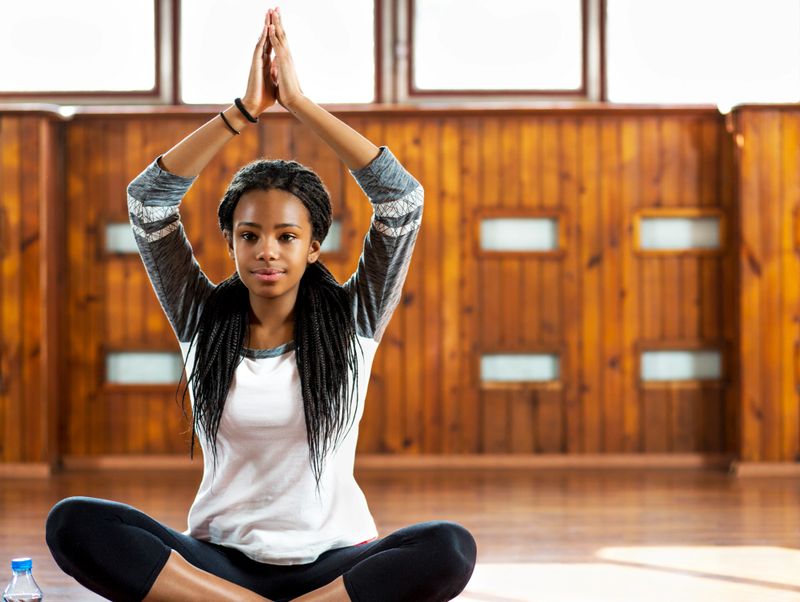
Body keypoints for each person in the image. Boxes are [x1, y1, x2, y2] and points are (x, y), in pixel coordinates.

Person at [44, 6, 476, 602]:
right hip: (218, 562)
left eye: (287, 237)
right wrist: (243, 111)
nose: (266, 252)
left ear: (314, 246)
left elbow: (401, 200)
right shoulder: (200, 317)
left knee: (450, 547)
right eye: (249, 235)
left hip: (332, 563)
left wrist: (298, 103)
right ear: (230, 241)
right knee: (73, 522)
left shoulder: (355, 321)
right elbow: (148, 202)